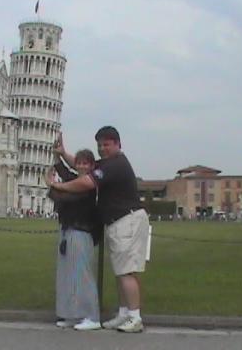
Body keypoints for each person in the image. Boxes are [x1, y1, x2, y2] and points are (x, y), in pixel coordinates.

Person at [50, 126, 149, 333]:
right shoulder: (109, 164)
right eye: (100, 145)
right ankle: (124, 314)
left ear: (118, 144)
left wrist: (57, 186)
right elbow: (83, 167)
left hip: (126, 220)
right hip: (119, 221)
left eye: (107, 144)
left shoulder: (115, 164)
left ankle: (134, 316)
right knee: (122, 271)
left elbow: (86, 181)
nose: (102, 148)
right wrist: (63, 154)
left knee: (126, 272)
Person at [46, 149, 102, 331]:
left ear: (92, 166)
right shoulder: (75, 180)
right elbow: (64, 172)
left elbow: (65, 196)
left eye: (86, 163)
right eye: (79, 162)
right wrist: (58, 154)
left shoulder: (87, 185)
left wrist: (51, 185)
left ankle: (91, 316)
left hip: (81, 232)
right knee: (67, 276)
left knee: (81, 276)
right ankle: (72, 314)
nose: (82, 166)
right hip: (67, 231)